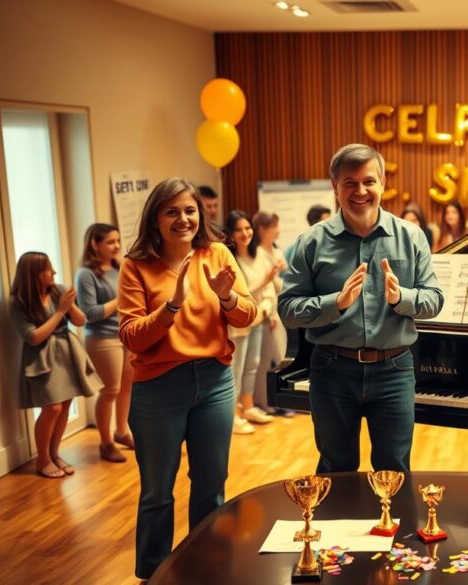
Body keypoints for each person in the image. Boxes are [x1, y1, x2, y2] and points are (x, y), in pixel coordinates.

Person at [119, 178, 256, 579]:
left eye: (190, 210)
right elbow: (132, 337)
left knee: (211, 484)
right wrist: (172, 305)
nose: (183, 219)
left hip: (214, 382)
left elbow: (246, 316)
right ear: (156, 218)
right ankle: (152, 573)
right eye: (172, 211)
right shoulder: (136, 265)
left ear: (201, 214)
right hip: (159, 387)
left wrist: (227, 297)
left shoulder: (217, 254)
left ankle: (206, 567)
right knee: (157, 492)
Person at [278, 144, 443, 473]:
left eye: (369, 181)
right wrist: (335, 303)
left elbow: (434, 299)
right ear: (334, 186)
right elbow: (288, 309)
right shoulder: (311, 243)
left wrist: (402, 298)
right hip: (331, 371)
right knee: (336, 469)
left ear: (382, 182)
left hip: (394, 371)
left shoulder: (411, 237)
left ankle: (391, 527)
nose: (360, 191)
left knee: (394, 470)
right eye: (349, 182)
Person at [10, 252, 103, 478]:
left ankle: (54, 454)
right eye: (47, 269)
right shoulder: (18, 302)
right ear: (33, 274)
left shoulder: (58, 290)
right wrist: (61, 310)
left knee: (63, 406)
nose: (53, 272)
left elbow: (81, 321)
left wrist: (69, 306)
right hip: (41, 357)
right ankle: (42, 460)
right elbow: (33, 337)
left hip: (66, 352)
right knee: (51, 407)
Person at [75, 223, 135, 463]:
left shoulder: (120, 267)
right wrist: (121, 300)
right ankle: (106, 442)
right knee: (110, 390)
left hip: (126, 334)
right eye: (110, 242)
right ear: (94, 244)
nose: (117, 246)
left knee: (127, 388)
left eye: (118, 240)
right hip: (102, 338)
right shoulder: (86, 274)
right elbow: (90, 313)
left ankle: (122, 432)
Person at [225, 210, 278, 434]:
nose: (245, 233)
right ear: (230, 234)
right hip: (238, 323)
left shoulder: (257, 255)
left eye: (247, 228)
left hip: (258, 318)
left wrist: (268, 310)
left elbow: (269, 289)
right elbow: (240, 292)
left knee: (253, 365)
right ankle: (233, 415)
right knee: (236, 369)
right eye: (239, 230)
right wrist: (264, 280)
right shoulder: (229, 259)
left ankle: (248, 407)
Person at [252, 211, 293, 418]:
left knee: (278, 357)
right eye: (274, 226)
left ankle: (277, 400)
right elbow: (269, 284)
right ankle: (265, 402)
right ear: (263, 229)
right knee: (267, 360)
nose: (278, 230)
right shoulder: (259, 253)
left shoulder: (275, 251)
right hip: (269, 313)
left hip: (279, 310)